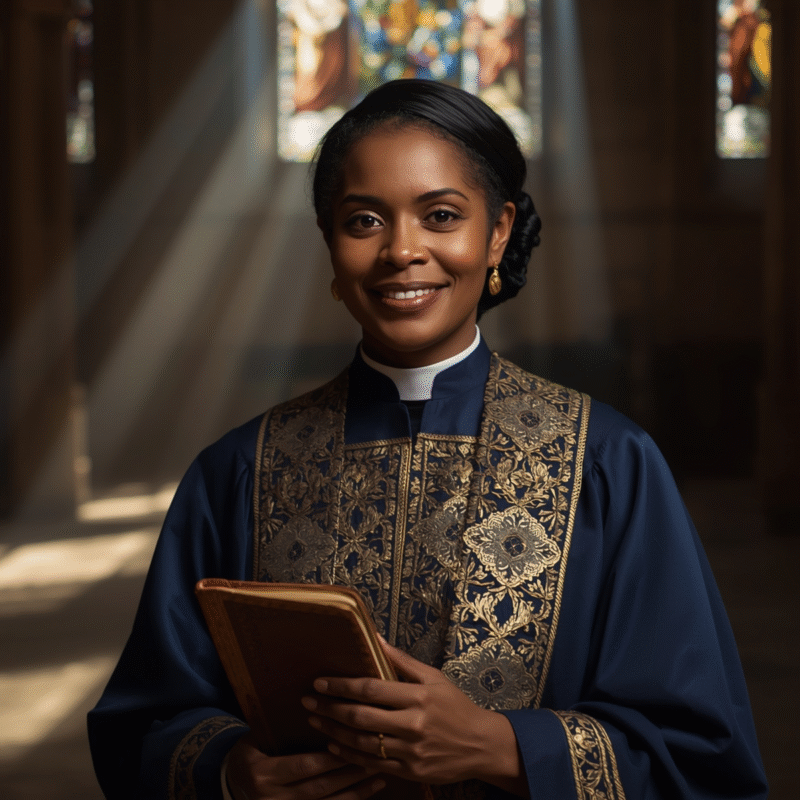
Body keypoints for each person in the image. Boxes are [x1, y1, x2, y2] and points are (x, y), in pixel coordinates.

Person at [88, 79, 768, 800]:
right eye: (363, 222)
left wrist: (503, 745)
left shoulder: (609, 464)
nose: (402, 251)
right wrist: (228, 772)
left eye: (441, 215)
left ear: (497, 231)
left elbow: (703, 758)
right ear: (330, 243)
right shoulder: (239, 471)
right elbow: (144, 722)